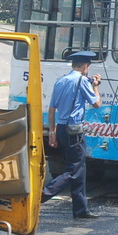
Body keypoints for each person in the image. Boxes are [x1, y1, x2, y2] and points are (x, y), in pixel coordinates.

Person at [41, 50, 102, 219]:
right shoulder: (82, 81)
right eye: (88, 67)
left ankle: (81, 210)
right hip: (74, 131)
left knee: (80, 169)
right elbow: (96, 103)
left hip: (61, 128)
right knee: (73, 170)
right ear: (84, 66)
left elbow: (51, 109)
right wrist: (95, 86)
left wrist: (52, 132)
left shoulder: (60, 81)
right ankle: (42, 195)